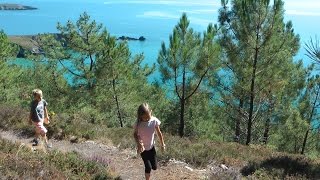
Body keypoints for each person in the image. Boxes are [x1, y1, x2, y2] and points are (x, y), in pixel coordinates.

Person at [133, 103, 165, 180]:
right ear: (140, 116)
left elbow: (159, 133)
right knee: (148, 167)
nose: (147, 119)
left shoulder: (154, 121)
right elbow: (135, 134)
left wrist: (162, 144)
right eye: (144, 117)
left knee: (154, 167)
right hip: (143, 149)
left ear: (151, 111)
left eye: (148, 116)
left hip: (151, 148)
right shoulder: (138, 124)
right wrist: (139, 144)